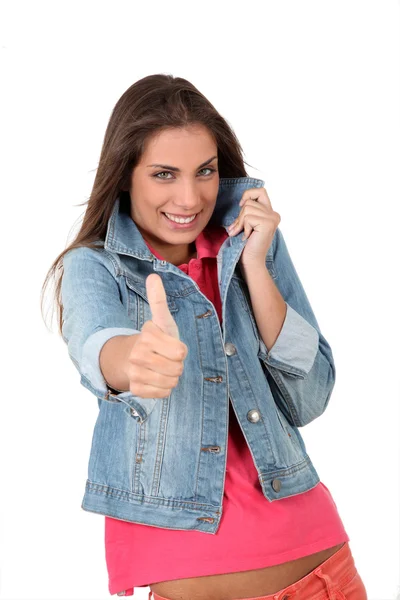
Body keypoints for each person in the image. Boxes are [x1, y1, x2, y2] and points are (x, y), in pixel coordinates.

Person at [41, 74, 368, 600]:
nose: (189, 197)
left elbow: (312, 396)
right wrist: (134, 360)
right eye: (164, 174)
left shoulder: (251, 243)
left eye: (205, 172)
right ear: (125, 175)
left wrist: (257, 270)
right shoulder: (94, 267)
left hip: (324, 572)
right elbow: (98, 346)